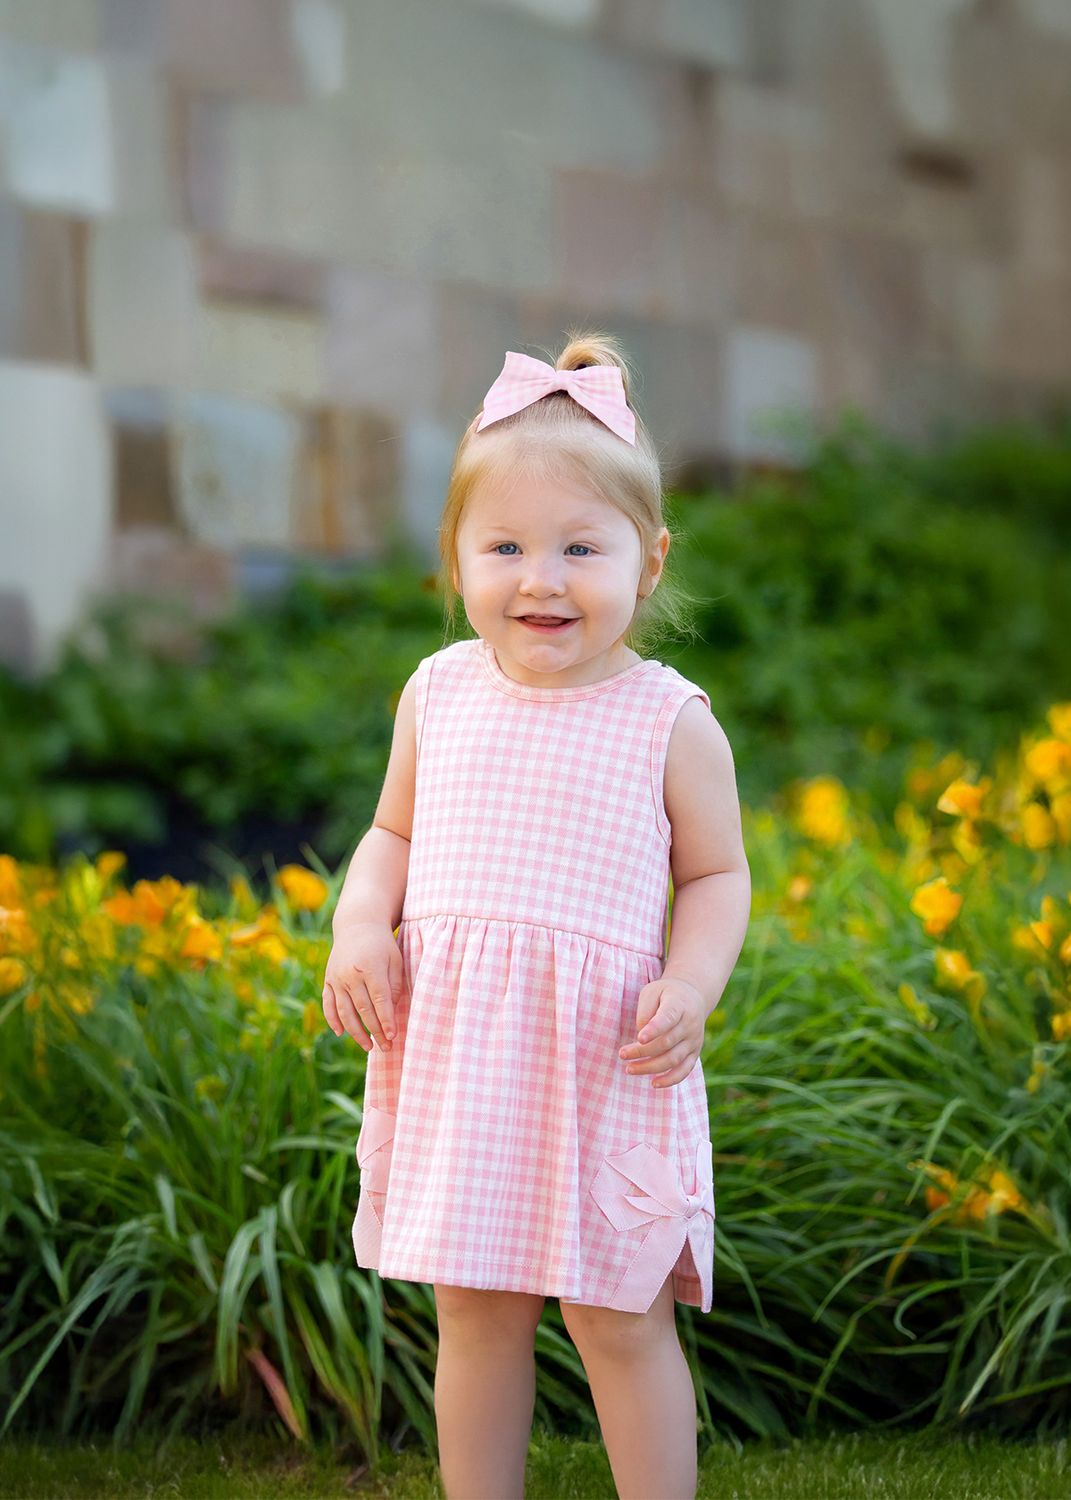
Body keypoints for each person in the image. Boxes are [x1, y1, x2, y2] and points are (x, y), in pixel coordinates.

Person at [322, 330, 751, 1500]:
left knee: (617, 1314)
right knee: (476, 1309)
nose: (540, 580)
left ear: (649, 561)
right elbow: (392, 836)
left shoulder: (667, 718)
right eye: (502, 545)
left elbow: (718, 876)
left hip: (608, 1055)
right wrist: (363, 924)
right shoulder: (438, 691)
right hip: (466, 1055)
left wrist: (693, 985)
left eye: (580, 547)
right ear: (454, 560)